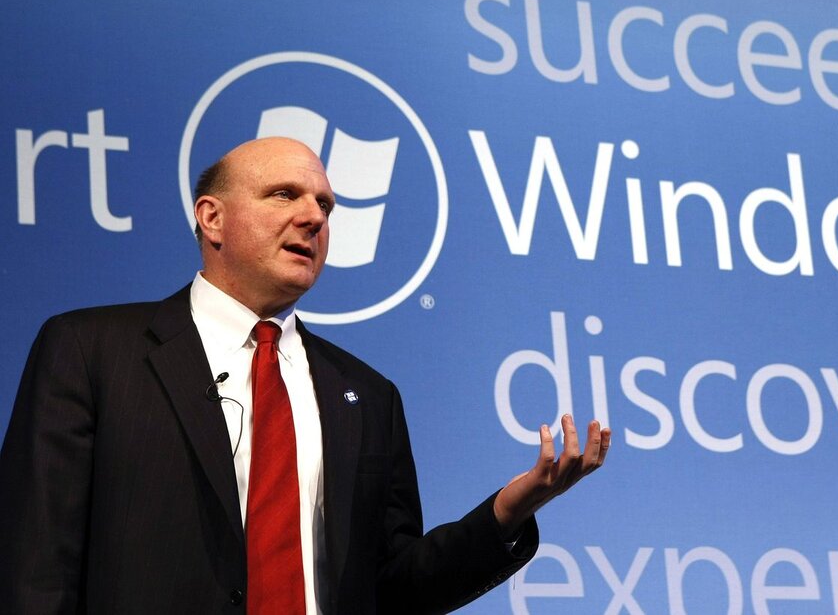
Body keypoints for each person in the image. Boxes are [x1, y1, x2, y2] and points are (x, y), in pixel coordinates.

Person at [0, 137, 611, 614]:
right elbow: (34, 564)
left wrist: (503, 515)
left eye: (325, 205)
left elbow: (394, 588)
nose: (314, 217)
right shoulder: (92, 351)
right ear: (212, 218)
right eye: (284, 195)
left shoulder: (368, 396)